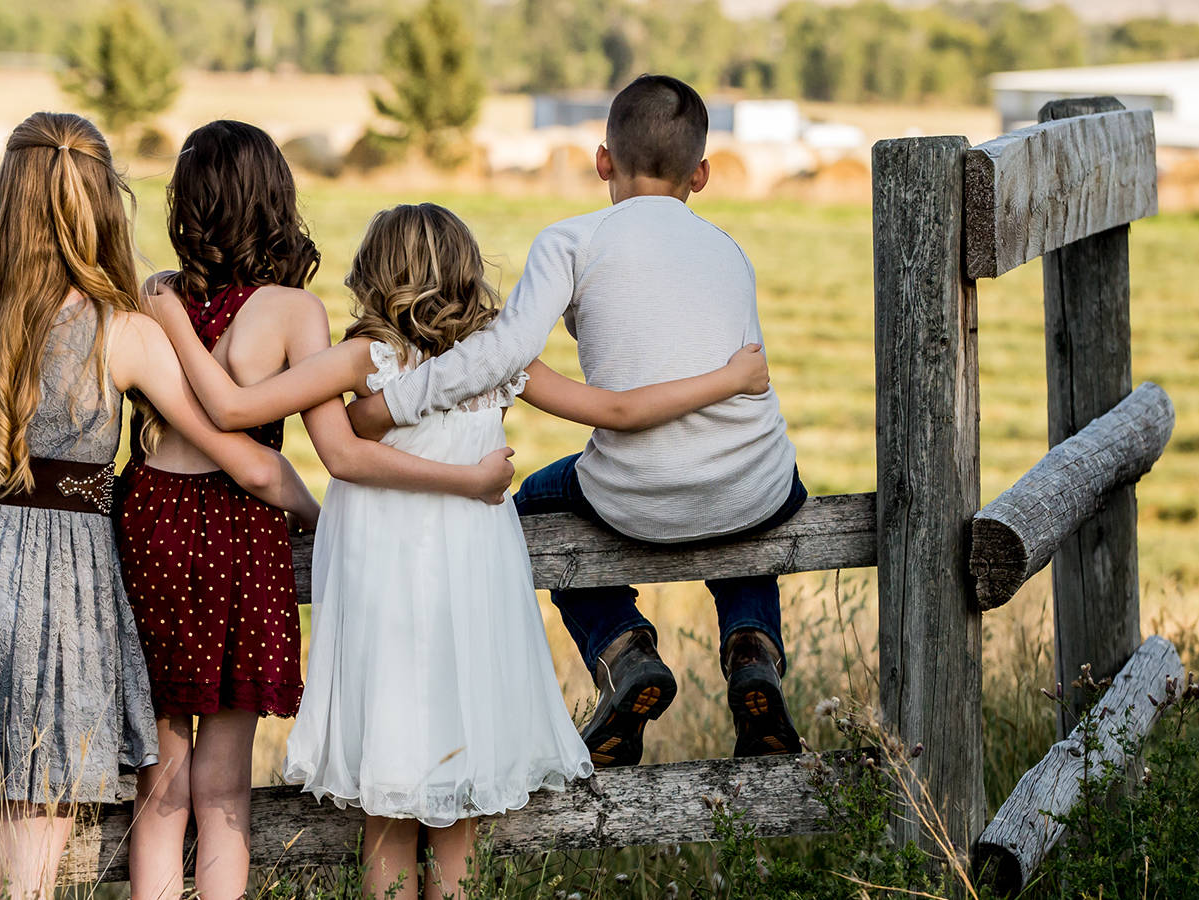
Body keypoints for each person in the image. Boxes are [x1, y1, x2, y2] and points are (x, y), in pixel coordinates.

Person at [150, 202, 769, 899]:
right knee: (457, 804)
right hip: (471, 595)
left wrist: (171, 320)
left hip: (388, 594)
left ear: (376, 276)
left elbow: (237, 407)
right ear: (469, 275)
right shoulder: (501, 363)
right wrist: (730, 380)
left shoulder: (365, 358)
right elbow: (618, 410)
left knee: (388, 811)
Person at [0, 111, 319, 899]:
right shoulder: (125, 333)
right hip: (64, 602)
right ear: (106, 203)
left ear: (4, 198)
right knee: (33, 869)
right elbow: (220, 444)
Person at [349, 74, 809, 766]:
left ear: (602, 161)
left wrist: (392, 404)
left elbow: (504, 353)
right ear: (703, 174)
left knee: (535, 500)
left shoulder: (571, 241)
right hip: (753, 489)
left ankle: (622, 649)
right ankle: (752, 646)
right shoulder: (729, 253)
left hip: (633, 498)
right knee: (758, 483)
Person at [117, 120, 514, 900]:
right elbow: (301, 448)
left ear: (185, 205)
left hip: (151, 520)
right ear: (276, 202)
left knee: (158, 781)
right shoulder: (294, 310)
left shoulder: (152, 296)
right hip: (236, 528)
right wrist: (312, 513)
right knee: (224, 785)